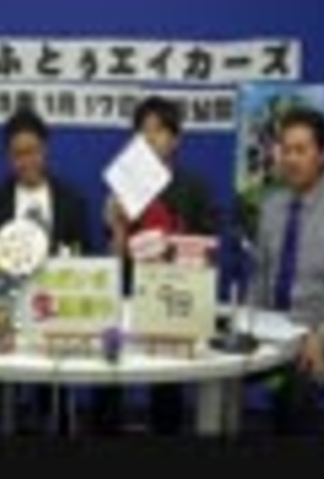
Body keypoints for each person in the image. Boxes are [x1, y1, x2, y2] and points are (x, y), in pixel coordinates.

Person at [246, 107, 324, 434]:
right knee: (222, 373)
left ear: (323, 155)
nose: (290, 159)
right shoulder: (270, 208)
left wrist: (323, 338)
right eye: (285, 149)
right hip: (271, 335)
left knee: (295, 393)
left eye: (300, 150)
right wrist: (246, 325)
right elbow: (260, 276)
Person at [100, 96, 221, 435]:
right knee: (108, 378)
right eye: (142, 131)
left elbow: (208, 253)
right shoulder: (122, 188)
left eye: (158, 130)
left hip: (174, 301)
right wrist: (118, 226)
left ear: (176, 139)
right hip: (128, 298)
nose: (150, 138)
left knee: (167, 387)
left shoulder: (195, 188)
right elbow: (114, 260)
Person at [0, 108, 92, 433]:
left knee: (55, 391)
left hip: (56, 310)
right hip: (4, 309)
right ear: (8, 157)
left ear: (45, 149)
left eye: (33, 151)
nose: (26, 161)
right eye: (18, 154)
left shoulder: (71, 199)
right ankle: (12, 420)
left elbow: (86, 257)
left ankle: (53, 418)